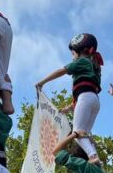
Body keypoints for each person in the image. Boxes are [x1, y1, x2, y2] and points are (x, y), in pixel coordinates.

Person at [37, 33, 104, 163]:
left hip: (85, 98)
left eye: (73, 54)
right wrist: (67, 109)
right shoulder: (94, 66)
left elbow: (61, 71)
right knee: (84, 134)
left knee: (77, 133)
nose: (72, 57)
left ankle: (93, 156)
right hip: (94, 100)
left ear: (79, 51)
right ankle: (94, 158)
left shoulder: (82, 61)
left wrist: (42, 82)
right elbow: (86, 92)